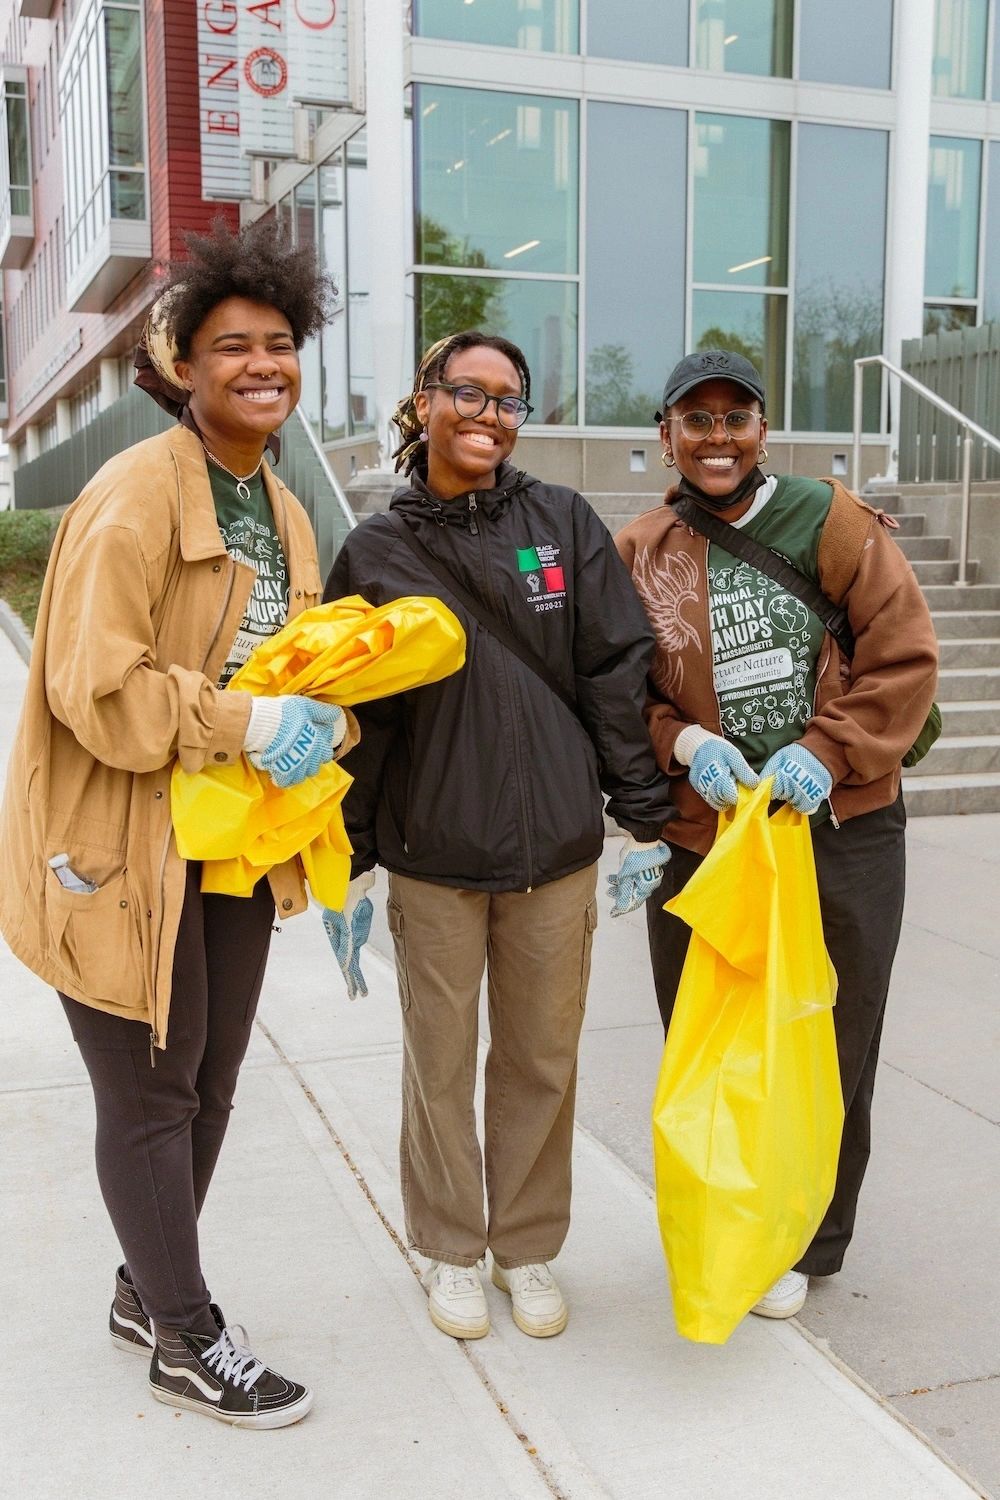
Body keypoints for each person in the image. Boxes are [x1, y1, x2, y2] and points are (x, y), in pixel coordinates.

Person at [0, 218, 351, 1428]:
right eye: (232, 347)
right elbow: (90, 684)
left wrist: (315, 725)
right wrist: (245, 725)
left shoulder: (285, 510)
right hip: (117, 841)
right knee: (151, 1095)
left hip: (228, 849)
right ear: (185, 368)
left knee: (209, 1079)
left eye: (280, 345)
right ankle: (186, 1339)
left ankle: (145, 1285)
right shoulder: (135, 493)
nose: (263, 365)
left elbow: (290, 667)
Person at [323, 331, 675, 1341]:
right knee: (437, 1060)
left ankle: (524, 1247)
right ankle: (450, 1248)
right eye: (467, 393)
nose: (487, 414)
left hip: (554, 852)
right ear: (424, 401)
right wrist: (346, 859)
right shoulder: (378, 551)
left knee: (539, 1059)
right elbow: (361, 715)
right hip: (433, 856)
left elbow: (614, 667)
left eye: (509, 400)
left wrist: (640, 816)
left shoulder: (560, 522)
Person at [614, 348, 939, 1320]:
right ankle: (730, 1217)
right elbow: (620, 692)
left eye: (735, 418)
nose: (716, 439)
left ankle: (806, 1239)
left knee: (833, 1038)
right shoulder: (637, 549)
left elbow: (903, 651)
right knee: (711, 1043)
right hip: (705, 836)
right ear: (665, 434)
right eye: (695, 420)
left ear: (762, 427)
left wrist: (827, 752)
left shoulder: (828, 519)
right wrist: (683, 740)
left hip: (840, 830)